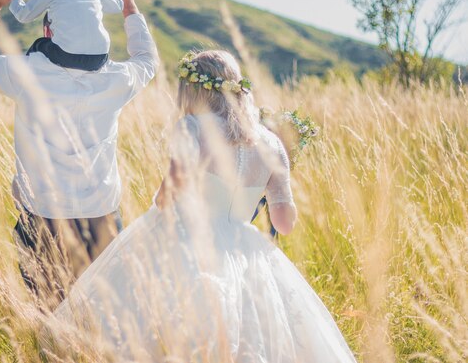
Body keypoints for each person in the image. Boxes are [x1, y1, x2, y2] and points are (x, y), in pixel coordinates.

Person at [54, 50, 356, 362]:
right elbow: (284, 224)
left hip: (187, 239)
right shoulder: (272, 143)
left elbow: (167, 195)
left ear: (195, 90)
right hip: (244, 247)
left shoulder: (193, 128)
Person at [0, 0, 158, 307]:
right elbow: (147, 60)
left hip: (43, 216)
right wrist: (130, 6)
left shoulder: (28, 73)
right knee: (105, 318)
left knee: (48, 316)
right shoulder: (118, 78)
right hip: (103, 217)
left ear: (48, 30)